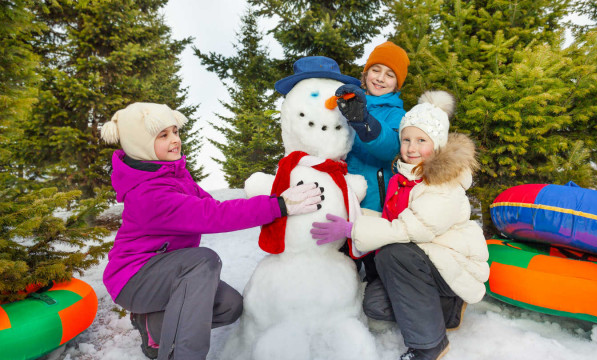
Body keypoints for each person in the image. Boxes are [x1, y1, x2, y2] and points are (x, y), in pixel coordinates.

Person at [99, 102, 324, 360]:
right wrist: (280, 205)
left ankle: (154, 327)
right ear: (140, 144)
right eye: (163, 135)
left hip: (166, 272)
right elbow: (214, 216)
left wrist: (272, 199)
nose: (175, 140)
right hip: (134, 279)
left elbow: (213, 205)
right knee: (202, 261)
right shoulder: (149, 194)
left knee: (229, 306)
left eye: (175, 131)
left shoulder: (173, 175)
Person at [310, 92, 490, 360]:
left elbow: (410, 230)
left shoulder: (442, 184)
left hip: (450, 264)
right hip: (425, 263)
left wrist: (352, 229)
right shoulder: (401, 178)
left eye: (421, 141)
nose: (411, 148)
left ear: (437, 145)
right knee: (376, 305)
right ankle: (445, 310)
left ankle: (429, 345)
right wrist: (354, 221)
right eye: (406, 139)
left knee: (395, 253)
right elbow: (389, 222)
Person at [333, 41, 410, 280]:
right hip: (343, 199)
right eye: (376, 70)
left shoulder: (397, 113)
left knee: (375, 267)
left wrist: (363, 120)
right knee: (342, 264)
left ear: (397, 84)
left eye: (389, 75)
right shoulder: (348, 101)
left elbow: (390, 148)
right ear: (365, 74)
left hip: (373, 205)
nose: (380, 78)